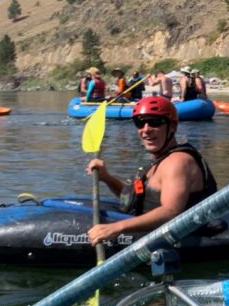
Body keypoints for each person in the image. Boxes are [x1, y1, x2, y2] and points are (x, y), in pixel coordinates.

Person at [86, 96, 217, 245]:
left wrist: (116, 228)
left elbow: (171, 211)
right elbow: (135, 199)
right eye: (140, 123)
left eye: (155, 122)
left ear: (172, 127)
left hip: (185, 239)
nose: (146, 130)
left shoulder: (177, 162)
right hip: (150, 227)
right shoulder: (161, 158)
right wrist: (107, 178)